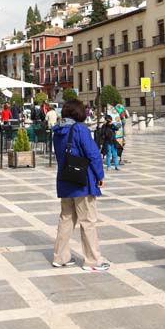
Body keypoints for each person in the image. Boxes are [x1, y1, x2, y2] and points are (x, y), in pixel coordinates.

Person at [51, 100, 109, 271]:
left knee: (66, 219)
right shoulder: (80, 129)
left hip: (65, 179)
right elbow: (93, 154)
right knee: (88, 220)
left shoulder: (58, 131)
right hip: (82, 181)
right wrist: (100, 175)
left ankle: (60, 257)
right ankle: (92, 260)